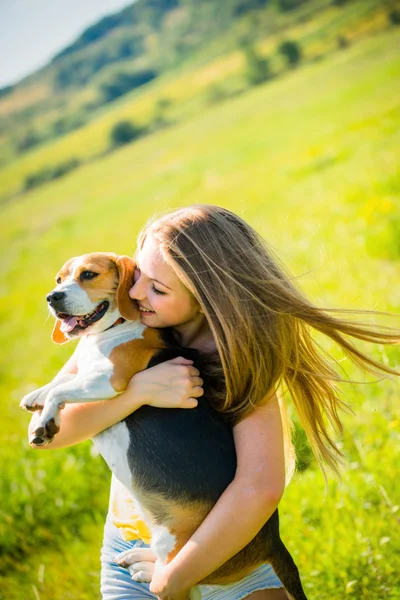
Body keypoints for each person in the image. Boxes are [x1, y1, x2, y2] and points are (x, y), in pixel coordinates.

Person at [29, 205, 399, 600]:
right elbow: (45, 433)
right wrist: (139, 392)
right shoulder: (115, 331)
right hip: (127, 550)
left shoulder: (241, 362)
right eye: (137, 276)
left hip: (227, 561)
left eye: (156, 288)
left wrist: (174, 576)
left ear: (205, 299)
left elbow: (260, 489)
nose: (134, 293)